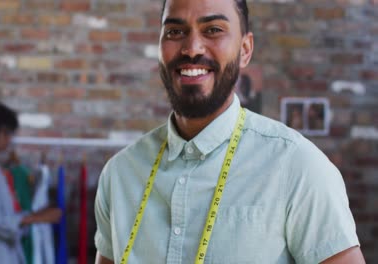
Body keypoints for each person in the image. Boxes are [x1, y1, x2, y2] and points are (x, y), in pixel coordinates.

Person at [94, 0, 365, 263]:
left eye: (213, 30)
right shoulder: (120, 174)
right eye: (175, 32)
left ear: (245, 50)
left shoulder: (298, 167)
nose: (191, 48)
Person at [0, 102, 62, 264]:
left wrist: (34, 216)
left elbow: (5, 218)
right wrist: (36, 218)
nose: (9, 139)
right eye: (5, 133)